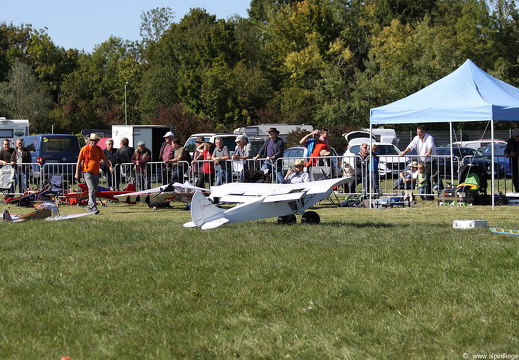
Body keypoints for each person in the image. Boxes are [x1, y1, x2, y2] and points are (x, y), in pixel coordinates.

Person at [75, 133, 113, 214]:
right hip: (87, 172)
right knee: (92, 189)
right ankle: (93, 207)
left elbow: (104, 159)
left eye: (95, 141)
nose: (94, 142)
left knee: (93, 190)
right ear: (89, 140)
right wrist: (77, 173)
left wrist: (109, 166)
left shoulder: (99, 149)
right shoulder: (84, 149)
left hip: (96, 172)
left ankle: (89, 207)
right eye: (92, 141)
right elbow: (79, 162)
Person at [399, 125, 436, 200]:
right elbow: (411, 146)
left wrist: (429, 153)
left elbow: (430, 146)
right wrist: (404, 153)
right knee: (420, 177)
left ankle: (429, 195)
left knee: (427, 177)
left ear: (424, 132)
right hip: (421, 161)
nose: (418, 134)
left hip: (430, 161)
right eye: (417, 132)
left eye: (420, 132)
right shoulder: (416, 138)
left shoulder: (429, 137)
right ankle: (423, 193)